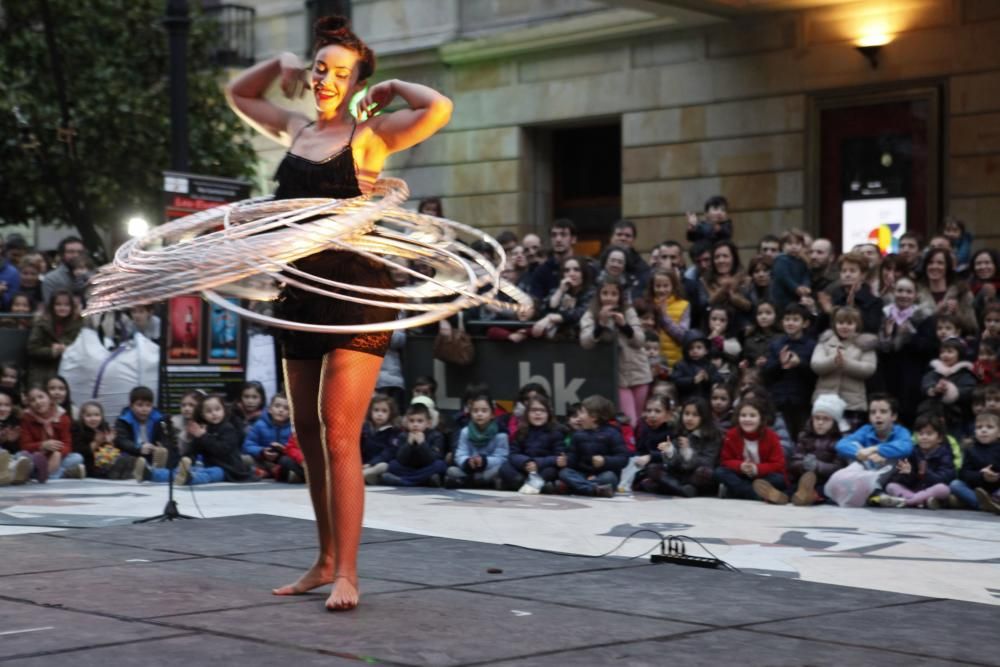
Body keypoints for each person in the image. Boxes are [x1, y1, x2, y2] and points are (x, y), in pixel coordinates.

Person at [225, 15, 453, 610]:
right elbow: (239, 94)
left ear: (355, 83)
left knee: (339, 430)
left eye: (340, 73)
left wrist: (392, 88)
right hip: (298, 297)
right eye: (320, 68)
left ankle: (348, 571)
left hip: (356, 296)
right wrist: (279, 64)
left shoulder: (369, 136)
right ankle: (323, 559)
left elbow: (439, 109)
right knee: (306, 432)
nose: (326, 80)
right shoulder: (297, 131)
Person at [580, 279, 649, 427]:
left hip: (638, 370)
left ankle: (640, 448)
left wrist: (624, 326)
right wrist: (600, 325)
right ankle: (630, 449)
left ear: (619, 296)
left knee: (642, 419)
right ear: (599, 295)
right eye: (605, 293)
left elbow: (640, 340)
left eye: (613, 294)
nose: (609, 297)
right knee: (630, 420)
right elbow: (585, 342)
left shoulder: (628, 311)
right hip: (617, 375)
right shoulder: (591, 314)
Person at [810, 306, 877, 429]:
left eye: (849, 323)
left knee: (848, 438)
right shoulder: (825, 342)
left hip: (852, 404)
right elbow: (816, 365)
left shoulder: (865, 344)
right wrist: (833, 361)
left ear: (857, 325)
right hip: (825, 402)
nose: (844, 326)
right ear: (834, 324)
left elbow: (869, 368)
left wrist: (846, 363)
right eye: (840, 323)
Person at [714, 398, 788, 504]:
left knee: (779, 479)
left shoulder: (771, 436)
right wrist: (740, 466)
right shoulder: (732, 435)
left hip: (762, 477)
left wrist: (757, 468)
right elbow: (725, 460)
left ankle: (736, 492)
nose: (747, 419)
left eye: (752, 416)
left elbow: (779, 464)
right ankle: (757, 495)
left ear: (761, 418)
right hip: (741, 476)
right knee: (719, 472)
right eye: (743, 415)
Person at [762, 303, 817, 439]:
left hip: (802, 400)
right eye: (787, 319)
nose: (790, 323)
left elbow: (815, 375)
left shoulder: (811, 345)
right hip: (779, 399)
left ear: (805, 323)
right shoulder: (776, 344)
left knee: (801, 436)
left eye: (795, 319)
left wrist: (800, 364)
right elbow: (767, 374)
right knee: (780, 437)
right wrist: (779, 364)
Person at [879, 414, 956, 509]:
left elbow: (945, 478)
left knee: (943, 489)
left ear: (939, 438)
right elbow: (900, 479)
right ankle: (920, 502)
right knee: (891, 486)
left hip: (931, 490)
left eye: (929, 434)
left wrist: (925, 473)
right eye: (921, 433)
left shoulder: (945, 454)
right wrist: (908, 473)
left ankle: (908, 501)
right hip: (914, 490)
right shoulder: (913, 452)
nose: (924, 437)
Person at [557, 394, 629, 497]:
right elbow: (573, 462)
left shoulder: (613, 433)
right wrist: (566, 461)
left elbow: (623, 459)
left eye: (582, 412)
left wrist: (605, 461)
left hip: (602, 475)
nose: (579, 417)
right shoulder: (578, 435)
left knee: (609, 477)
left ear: (594, 417)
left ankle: (579, 487)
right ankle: (594, 489)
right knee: (564, 473)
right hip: (583, 475)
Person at [788, 394, 846, 506]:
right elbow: (794, 461)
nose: (820, 422)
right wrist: (803, 464)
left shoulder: (840, 441)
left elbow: (839, 467)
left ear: (834, 422)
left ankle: (808, 495)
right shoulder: (804, 436)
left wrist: (817, 466)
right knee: (791, 487)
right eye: (817, 418)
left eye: (826, 419)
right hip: (803, 478)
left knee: (825, 490)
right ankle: (781, 496)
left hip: (826, 481)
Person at [446, 394, 509, 488]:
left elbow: (501, 458)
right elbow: (460, 454)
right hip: (470, 470)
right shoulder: (465, 432)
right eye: (475, 411)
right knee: (451, 470)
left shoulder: (501, 434)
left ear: (492, 414)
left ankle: (468, 482)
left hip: (489, 469)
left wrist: (484, 461)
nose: (479, 414)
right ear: (471, 414)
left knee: (501, 469)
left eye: (484, 411)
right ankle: (479, 482)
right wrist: (468, 462)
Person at [20, 385, 83, 480]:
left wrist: (58, 453)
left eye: (41, 397)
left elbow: (67, 444)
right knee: (21, 455)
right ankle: (61, 474)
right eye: (32, 400)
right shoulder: (27, 418)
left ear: (49, 398)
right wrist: (42, 445)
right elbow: (25, 445)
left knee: (77, 457)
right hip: (37, 456)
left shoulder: (62, 417)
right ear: (29, 404)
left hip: (56, 458)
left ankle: (41, 475)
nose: (37, 402)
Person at [381, 402, 447, 487]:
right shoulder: (403, 436)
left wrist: (422, 444)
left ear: (428, 423)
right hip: (409, 468)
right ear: (407, 422)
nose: (415, 424)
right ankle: (424, 481)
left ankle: (404, 482)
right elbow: (400, 459)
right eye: (412, 421)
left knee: (440, 465)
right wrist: (408, 444)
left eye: (420, 421)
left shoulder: (436, 435)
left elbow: (433, 458)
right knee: (393, 465)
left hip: (425, 467)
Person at [26, 290, 82, 387]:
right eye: (58, 304)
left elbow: (81, 348)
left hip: (67, 370)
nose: (62, 308)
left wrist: (66, 348)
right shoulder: (41, 323)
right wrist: (51, 351)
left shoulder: (78, 323)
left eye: (66, 305)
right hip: (42, 369)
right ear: (52, 306)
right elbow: (32, 348)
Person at [950, 411, 1000, 513]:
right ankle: (983, 504)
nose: (983, 430)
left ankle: (993, 501)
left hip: (996, 488)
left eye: (989, 427)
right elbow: (963, 474)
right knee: (955, 484)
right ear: (974, 431)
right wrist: (981, 475)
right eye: (979, 427)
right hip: (977, 489)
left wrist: (995, 476)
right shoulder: (970, 449)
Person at [114, 386, 170, 468]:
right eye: (140, 405)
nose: (144, 409)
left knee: (165, 453)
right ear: (131, 406)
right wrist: (139, 448)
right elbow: (122, 441)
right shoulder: (123, 421)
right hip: (132, 455)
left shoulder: (160, 420)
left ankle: (157, 470)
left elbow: (165, 438)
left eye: (148, 405)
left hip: (153, 456)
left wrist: (159, 447)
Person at [242, 393, 293, 479]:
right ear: (270, 409)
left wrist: (284, 450)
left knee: (289, 463)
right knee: (244, 459)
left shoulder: (292, 429)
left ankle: (273, 473)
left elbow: (297, 450)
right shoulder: (259, 425)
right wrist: (262, 451)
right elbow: (247, 445)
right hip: (263, 460)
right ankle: (268, 472)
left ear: (290, 413)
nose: (281, 410)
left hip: (282, 461)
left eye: (286, 408)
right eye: (277, 406)